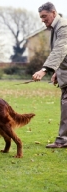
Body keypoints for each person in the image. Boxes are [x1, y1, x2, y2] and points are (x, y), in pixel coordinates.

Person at [32, 2, 67, 148]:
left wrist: (45, 69)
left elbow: (60, 50)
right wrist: (56, 73)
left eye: (44, 16)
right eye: (41, 17)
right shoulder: (56, 27)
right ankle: (63, 139)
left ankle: (62, 140)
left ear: (53, 12)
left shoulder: (63, 27)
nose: (43, 20)